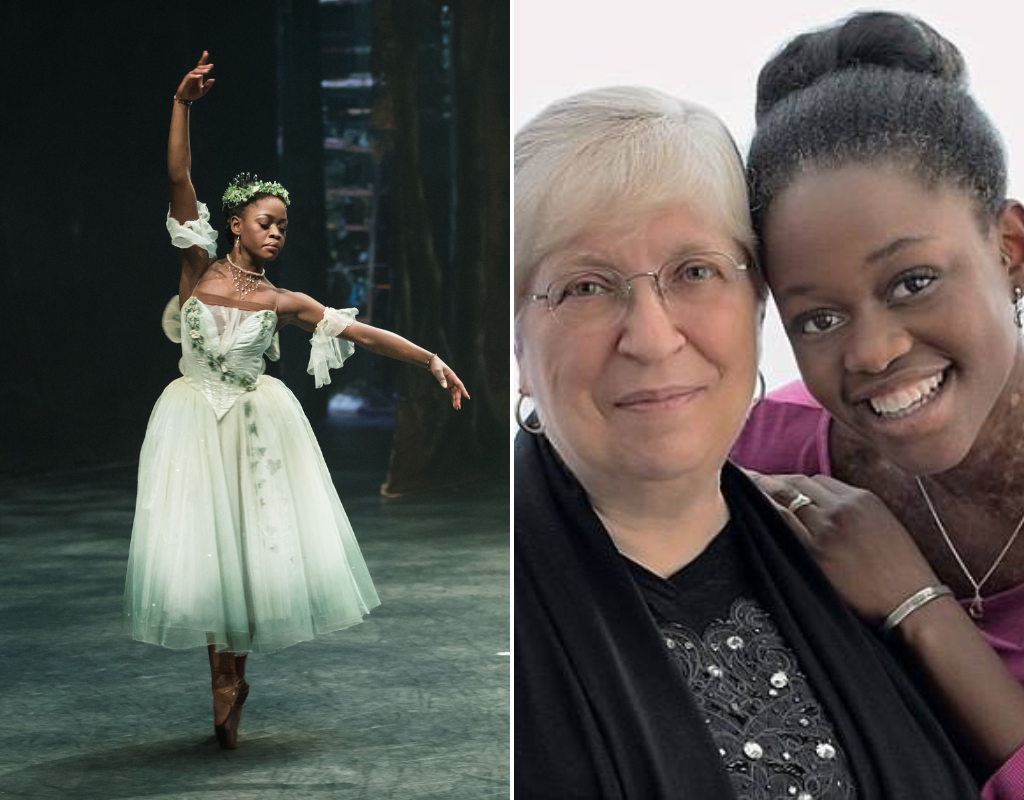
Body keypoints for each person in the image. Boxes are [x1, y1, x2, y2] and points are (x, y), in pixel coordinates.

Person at [514, 85, 1024, 799]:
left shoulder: (809, 537)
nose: (655, 339)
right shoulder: (780, 453)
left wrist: (917, 606)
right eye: (584, 287)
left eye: (696, 271)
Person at [122, 52, 469, 750]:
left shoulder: (284, 301)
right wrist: (181, 102)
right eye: (267, 220)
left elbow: (363, 333)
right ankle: (218, 670)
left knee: (247, 553)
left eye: (283, 223)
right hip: (192, 421)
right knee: (202, 552)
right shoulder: (195, 265)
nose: (277, 231)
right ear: (236, 224)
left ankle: (233, 670)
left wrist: (429, 358)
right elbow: (177, 175)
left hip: (252, 427)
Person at [734, 11, 1024, 689]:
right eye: (818, 318)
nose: (870, 352)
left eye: (913, 282)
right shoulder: (766, 465)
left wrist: (918, 608)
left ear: (1009, 252)